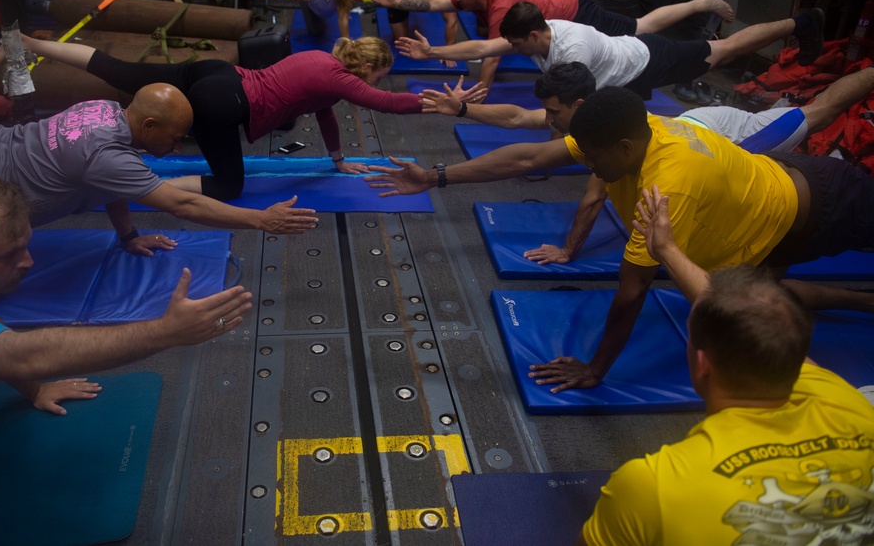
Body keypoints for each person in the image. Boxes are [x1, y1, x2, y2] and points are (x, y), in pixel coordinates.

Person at [366, 86, 874, 391]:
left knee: (751, 311)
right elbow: (528, 157)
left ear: (627, 146)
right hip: (766, 217)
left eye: (590, 156)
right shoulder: (626, 133)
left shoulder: (664, 188)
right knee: (769, 304)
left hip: (821, 207)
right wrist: (435, 177)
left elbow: (630, 295)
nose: (583, 162)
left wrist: (594, 370)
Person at [579, 185, 874, 546]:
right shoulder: (850, 404)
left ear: (701, 363)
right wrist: (668, 251)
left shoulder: (652, 486)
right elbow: (734, 311)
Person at [0, 169, 254, 431]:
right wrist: (165, 332)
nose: (28, 262)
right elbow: (20, 353)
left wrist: (35, 388)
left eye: (24, 245)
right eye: (8, 255)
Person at [422, 63, 874, 264]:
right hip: (693, 134)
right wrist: (454, 128)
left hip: (740, 140)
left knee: (818, 113)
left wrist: (569, 251)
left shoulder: (617, 143)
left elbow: (593, 198)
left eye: (556, 114)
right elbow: (524, 139)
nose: (549, 121)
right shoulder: (600, 118)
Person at [1, 33, 485, 201]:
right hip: (222, 105)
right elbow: (382, 103)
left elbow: (326, 115)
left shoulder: (324, 62)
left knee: (117, 69)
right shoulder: (344, 79)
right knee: (230, 187)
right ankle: (136, 182)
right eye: (381, 74)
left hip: (214, 72)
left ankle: (31, 46)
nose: (379, 83)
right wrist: (438, 104)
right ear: (370, 67)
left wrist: (338, 160)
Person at [0, 83, 320, 255]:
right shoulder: (107, 157)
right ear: (148, 124)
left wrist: (127, 236)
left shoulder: (104, 109)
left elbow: (111, 187)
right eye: (174, 136)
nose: (176, 146)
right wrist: (261, 220)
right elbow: (183, 204)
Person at [369, 0, 733, 87]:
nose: (456, 0)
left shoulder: (501, 5)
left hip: (579, 14)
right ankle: (696, 6)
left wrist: (479, 90)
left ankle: (700, 2)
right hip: (555, 22)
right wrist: (395, 2)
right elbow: (434, 2)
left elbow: (490, 54)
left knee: (640, 26)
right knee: (640, 28)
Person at [400, 0, 825, 100]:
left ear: (533, 35)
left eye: (514, 45)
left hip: (649, 59)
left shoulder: (573, 49)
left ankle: (804, 23)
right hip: (626, 68)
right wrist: (433, 50)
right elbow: (482, 44)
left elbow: (566, 107)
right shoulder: (536, 34)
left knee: (726, 50)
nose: (507, 49)